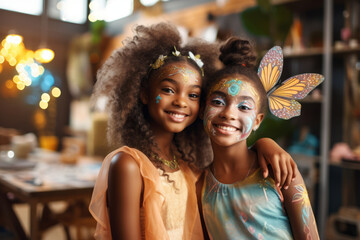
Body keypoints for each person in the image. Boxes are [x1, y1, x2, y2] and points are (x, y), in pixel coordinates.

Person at [89, 22, 297, 240]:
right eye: (168, 90)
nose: (181, 102)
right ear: (143, 94)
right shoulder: (128, 165)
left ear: (201, 108)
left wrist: (264, 143)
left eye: (193, 95)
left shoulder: (191, 171)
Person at [198, 37, 322, 239]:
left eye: (244, 107)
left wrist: (264, 143)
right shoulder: (199, 186)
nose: (229, 113)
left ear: (257, 121)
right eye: (219, 101)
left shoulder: (280, 172)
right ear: (203, 109)